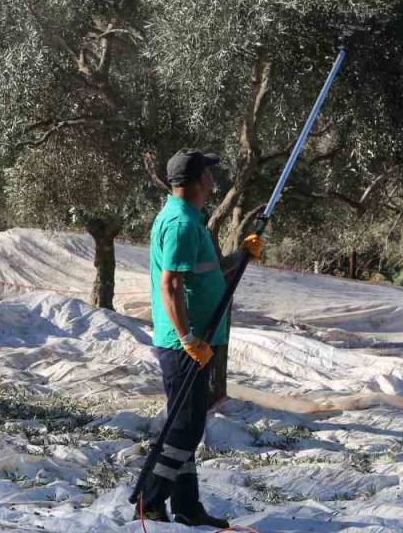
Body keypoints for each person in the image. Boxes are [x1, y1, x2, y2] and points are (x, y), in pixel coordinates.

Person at [138, 148, 263, 526]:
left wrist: (242, 256)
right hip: (185, 344)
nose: (212, 176)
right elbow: (171, 285)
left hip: (196, 341)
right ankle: (150, 500)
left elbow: (205, 275)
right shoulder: (180, 224)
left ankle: (187, 507)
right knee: (185, 427)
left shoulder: (192, 219)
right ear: (195, 181)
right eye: (208, 171)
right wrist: (188, 338)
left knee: (188, 426)